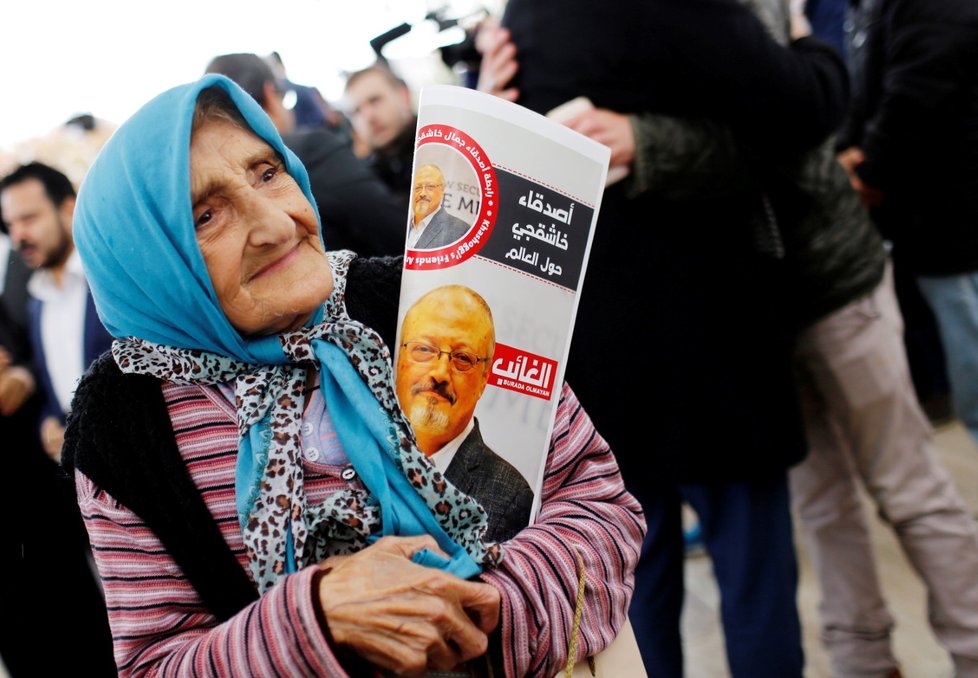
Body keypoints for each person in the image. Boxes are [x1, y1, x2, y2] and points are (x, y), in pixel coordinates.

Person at [63, 74, 645, 676]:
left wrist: (489, 607)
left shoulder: (421, 303)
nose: (278, 224)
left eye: (267, 173)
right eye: (206, 215)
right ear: (149, 262)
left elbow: (595, 500)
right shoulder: (125, 424)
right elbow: (152, 663)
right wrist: (313, 622)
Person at [478, 1, 851, 675]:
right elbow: (804, 107)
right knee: (751, 580)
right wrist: (806, 35)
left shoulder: (521, 18)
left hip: (599, 356)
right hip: (714, 335)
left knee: (637, 591)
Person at [0, 163, 116, 675]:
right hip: (80, 491)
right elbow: (56, 385)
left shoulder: (112, 277)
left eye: (29, 217)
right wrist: (51, 418)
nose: (18, 233)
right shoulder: (34, 299)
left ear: (68, 208)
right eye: (11, 223)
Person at [205, 52, 406, 256]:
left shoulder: (216, 190)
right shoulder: (311, 149)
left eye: (376, 101)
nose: (368, 117)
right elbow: (398, 233)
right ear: (270, 94)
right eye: (268, 176)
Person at [396, 285, 534, 543]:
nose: (439, 373)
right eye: (424, 349)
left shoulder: (511, 498)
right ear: (399, 357)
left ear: (485, 379)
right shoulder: (353, 443)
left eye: (462, 358)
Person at [343, 64, 417, 207]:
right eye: (356, 111)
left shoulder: (445, 150)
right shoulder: (364, 181)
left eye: (375, 100)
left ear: (404, 96)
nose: (367, 117)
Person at [408, 163, 471, 249]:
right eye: (417, 187)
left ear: (442, 190)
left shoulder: (460, 231)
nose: (422, 193)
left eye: (430, 187)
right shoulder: (402, 222)